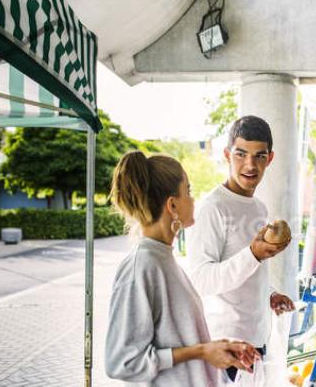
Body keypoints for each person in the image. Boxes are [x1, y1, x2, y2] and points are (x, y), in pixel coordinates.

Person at [105, 151, 259, 386]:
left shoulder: (164, 258)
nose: (193, 199)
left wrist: (215, 348)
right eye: (188, 191)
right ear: (172, 204)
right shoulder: (142, 267)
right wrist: (201, 351)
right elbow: (122, 362)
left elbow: (175, 339)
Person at [188, 116, 296, 384]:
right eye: (241, 154)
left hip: (257, 340)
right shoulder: (214, 207)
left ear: (269, 159)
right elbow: (201, 279)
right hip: (228, 346)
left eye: (259, 156)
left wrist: (268, 293)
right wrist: (254, 254)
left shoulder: (258, 207)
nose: (250, 165)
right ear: (227, 155)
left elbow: (247, 269)